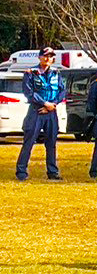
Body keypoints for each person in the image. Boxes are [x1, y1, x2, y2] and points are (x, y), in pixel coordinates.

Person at [15, 47, 65, 181]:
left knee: (51, 143)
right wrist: (44, 104)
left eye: (50, 56)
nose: (48, 58)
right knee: (29, 142)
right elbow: (29, 93)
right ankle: (21, 172)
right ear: (39, 57)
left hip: (51, 112)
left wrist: (52, 105)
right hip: (36, 111)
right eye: (45, 56)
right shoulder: (31, 73)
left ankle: (52, 172)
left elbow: (62, 92)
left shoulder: (56, 73)